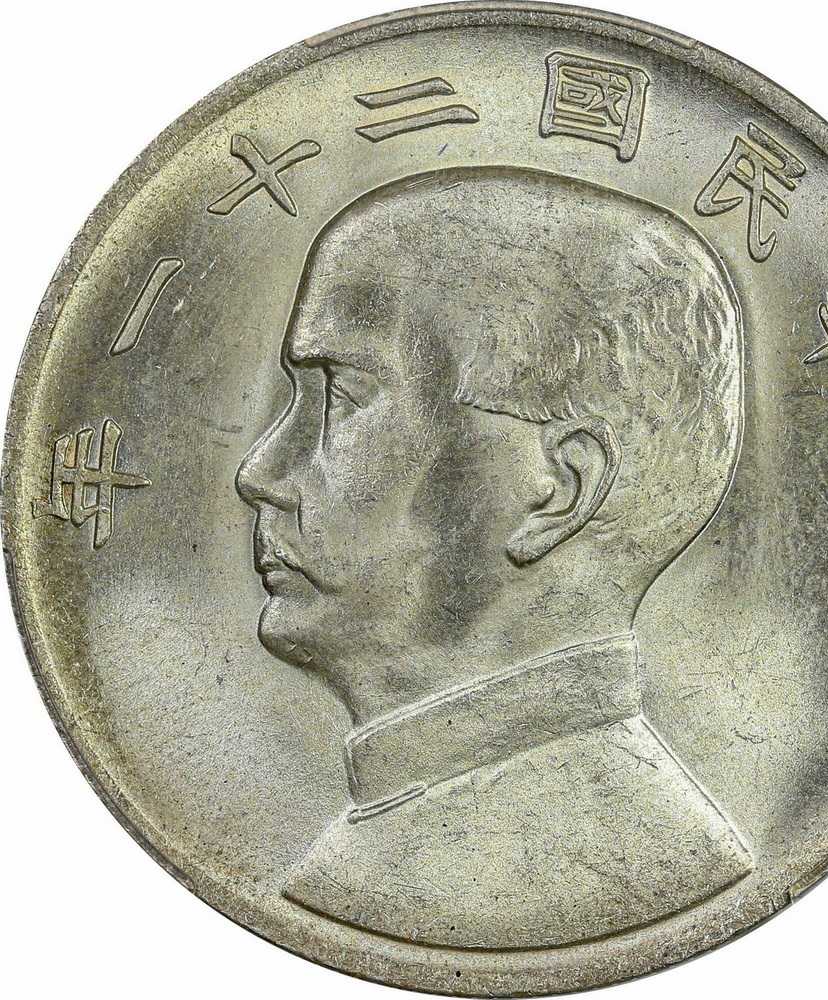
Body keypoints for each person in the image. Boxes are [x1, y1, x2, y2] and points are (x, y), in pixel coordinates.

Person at [235, 167, 751, 949]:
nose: (260, 471)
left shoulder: (604, 856)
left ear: (556, 490)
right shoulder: (410, 836)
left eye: (343, 397)